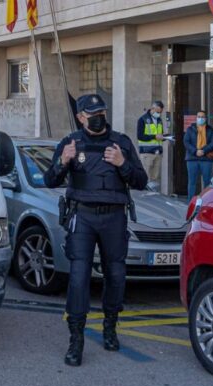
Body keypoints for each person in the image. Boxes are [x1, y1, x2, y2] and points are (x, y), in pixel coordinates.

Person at [44, 94, 148, 367]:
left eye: (101, 110)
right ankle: (76, 339)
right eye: (92, 112)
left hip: (114, 217)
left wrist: (122, 164)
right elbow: (49, 179)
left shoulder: (121, 142)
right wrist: (62, 162)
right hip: (83, 217)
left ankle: (110, 327)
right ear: (81, 117)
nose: (99, 115)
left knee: (116, 274)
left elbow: (140, 181)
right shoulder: (70, 143)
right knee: (78, 278)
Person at [183, 110, 213, 201]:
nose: (200, 119)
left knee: (207, 181)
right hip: (192, 159)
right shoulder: (190, 129)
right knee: (192, 182)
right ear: (196, 118)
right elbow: (186, 142)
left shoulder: (210, 130)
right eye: (199, 117)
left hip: (206, 159)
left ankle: (206, 201)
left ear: (205, 118)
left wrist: (204, 150)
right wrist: (195, 151)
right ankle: (190, 202)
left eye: (202, 117)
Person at [137, 101, 165, 183]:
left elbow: (160, 134)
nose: (159, 113)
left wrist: (164, 137)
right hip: (147, 152)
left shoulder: (159, 120)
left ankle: (153, 195)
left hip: (158, 152)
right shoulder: (142, 119)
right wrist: (154, 136)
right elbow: (140, 136)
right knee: (146, 177)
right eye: (157, 111)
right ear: (152, 108)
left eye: (160, 112)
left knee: (155, 178)